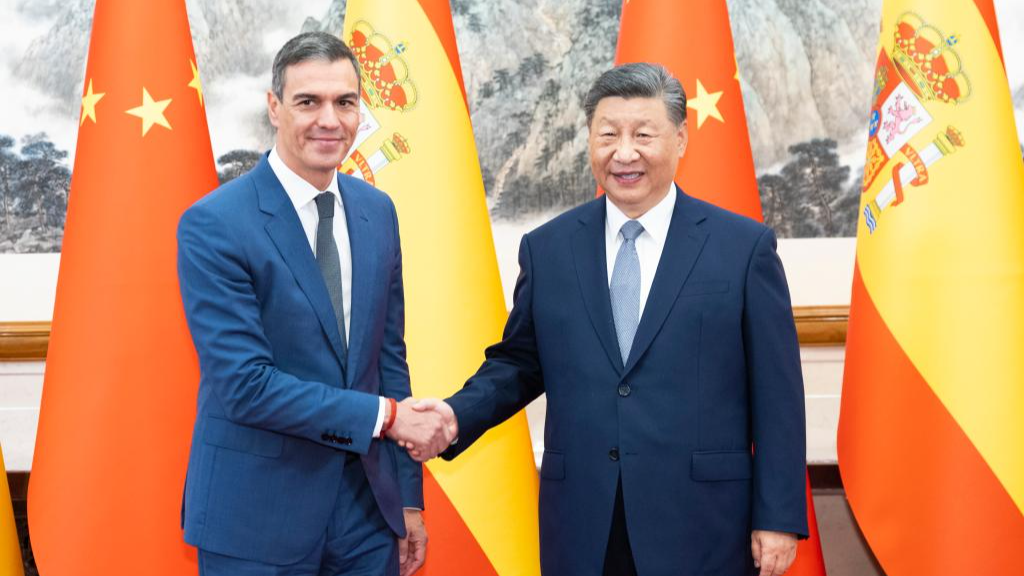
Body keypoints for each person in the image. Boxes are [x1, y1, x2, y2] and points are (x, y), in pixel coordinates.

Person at [414, 63, 808, 576]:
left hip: (704, 525)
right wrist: (454, 415)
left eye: (643, 135)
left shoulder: (742, 247)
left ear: (681, 139)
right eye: (608, 135)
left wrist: (777, 517)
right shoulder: (549, 249)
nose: (624, 153)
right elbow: (519, 363)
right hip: (584, 523)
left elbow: (778, 395)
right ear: (589, 142)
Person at [176, 32, 453, 576]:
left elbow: (387, 361)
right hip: (256, 518)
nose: (330, 119)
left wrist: (407, 500)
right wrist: (390, 418)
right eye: (309, 102)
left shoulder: (377, 212)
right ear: (275, 108)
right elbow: (245, 386)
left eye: (345, 102)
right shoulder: (214, 224)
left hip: (368, 516)